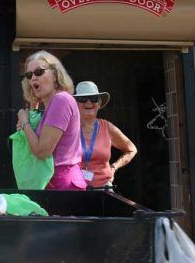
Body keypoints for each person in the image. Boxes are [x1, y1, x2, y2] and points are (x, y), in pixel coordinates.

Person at [16, 51, 86, 190]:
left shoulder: (60, 100)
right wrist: (27, 127)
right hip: (56, 181)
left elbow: (42, 151)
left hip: (61, 184)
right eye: (29, 75)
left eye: (39, 72)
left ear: (55, 75)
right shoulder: (53, 104)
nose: (33, 78)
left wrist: (25, 123)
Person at [73, 81, 137, 188]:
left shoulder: (107, 127)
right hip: (75, 187)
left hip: (104, 187)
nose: (88, 102)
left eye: (93, 98)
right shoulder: (69, 128)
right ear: (76, 103)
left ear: (98, 104)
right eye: (83, 99)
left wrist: (114, 167)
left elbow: (131, 149)